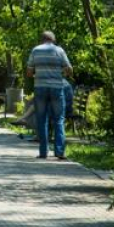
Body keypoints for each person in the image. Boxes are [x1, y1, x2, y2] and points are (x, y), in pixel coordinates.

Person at [26, 30, 73, 160]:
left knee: (42, 120)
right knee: (59, 120)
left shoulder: (35, 50)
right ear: (53, 40)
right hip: (57, 89)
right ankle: (59, 152)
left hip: (40, 88)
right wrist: (62, 73)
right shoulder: (59, 51)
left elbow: (29, 72)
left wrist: (38, 75)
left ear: (42, 40)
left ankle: (43, 152)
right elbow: (69, 69)